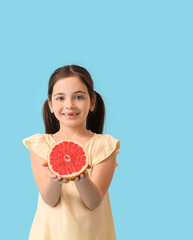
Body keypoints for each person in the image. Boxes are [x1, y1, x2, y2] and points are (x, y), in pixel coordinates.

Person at [22, 64, 121, 240]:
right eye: (60, 98)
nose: (69, 105)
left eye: (79, 97)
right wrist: (54, 179)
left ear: (92, 102)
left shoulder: (105, 146)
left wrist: (82, 179)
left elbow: (93, 202)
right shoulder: (40, 145)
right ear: (50, 105)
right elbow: (49, 199)